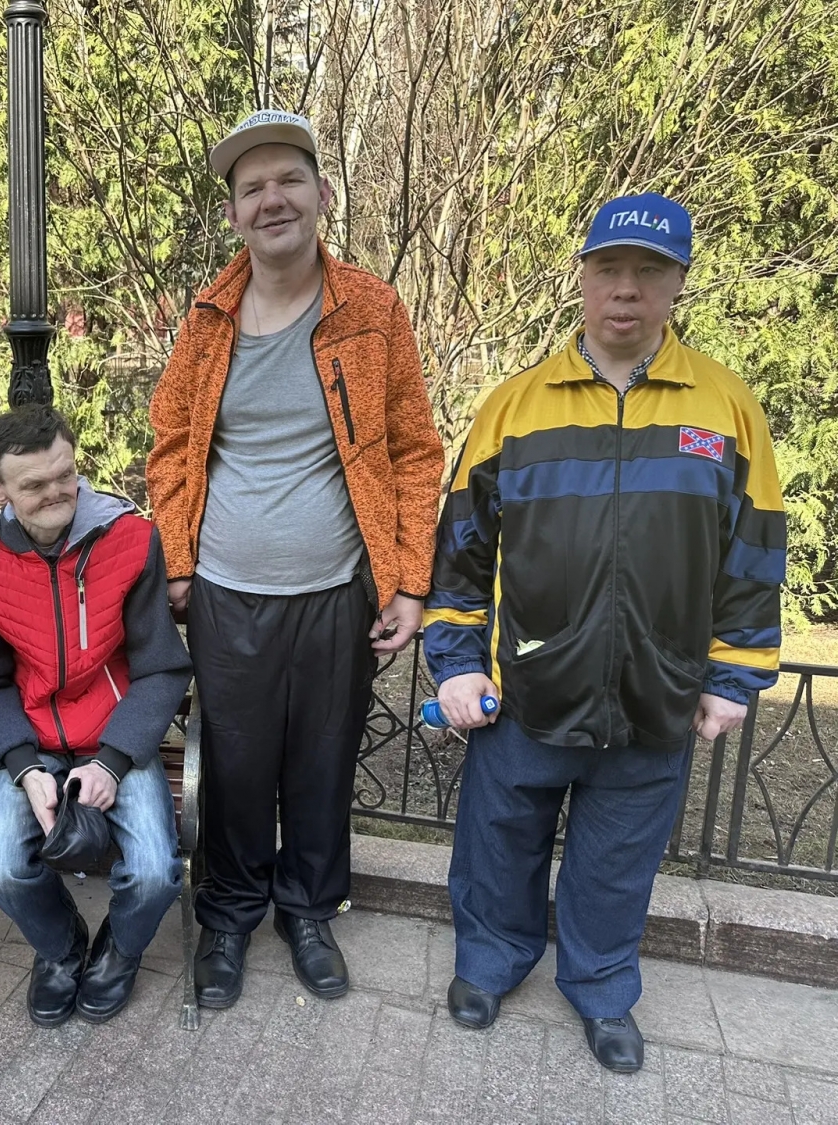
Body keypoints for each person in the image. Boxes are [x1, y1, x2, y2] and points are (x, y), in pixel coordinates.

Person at [425, 193, 786, 1072]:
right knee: (498, 844)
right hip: (527, 689)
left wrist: (734, 674)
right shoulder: (514, 407)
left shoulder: (727, 409)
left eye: (649, 271)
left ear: (678, 283)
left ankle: (601, 986)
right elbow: (461, 550)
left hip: (657, 695)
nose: (627, 289)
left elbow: (755, 550)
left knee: (617, 862)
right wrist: (456, 661)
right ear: (583, 277)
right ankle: (490, 961)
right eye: (610, 268)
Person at [146, 109, 445, 1010]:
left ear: (321, 194)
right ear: (233, 213)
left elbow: (414, 451)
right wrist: (177, 562)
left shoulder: (372, 311)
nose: (271, 200)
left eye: (288, 180)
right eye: (252, 188)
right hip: (228, 591)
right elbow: (171, 443)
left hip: (338, 591)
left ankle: (310, 910)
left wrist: (411, 580)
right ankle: (230, 914)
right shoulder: (208, 320)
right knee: (235, 766)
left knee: (322, 760)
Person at [0, 406, 191, 1027]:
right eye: (34, 484)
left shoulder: (131, 540)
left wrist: (112, 761)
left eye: (66, 474)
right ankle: (61, 948)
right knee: (0, 868)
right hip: (30, 737)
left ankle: (121, 949)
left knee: (156, 873)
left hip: (116, 734)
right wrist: (23, 766)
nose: (58, 492)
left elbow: (163, 668)